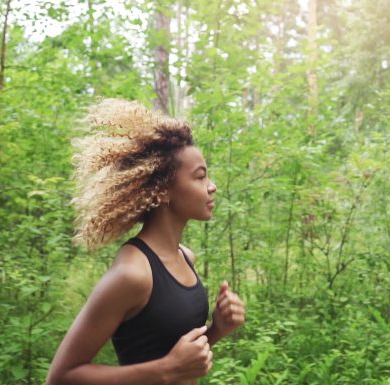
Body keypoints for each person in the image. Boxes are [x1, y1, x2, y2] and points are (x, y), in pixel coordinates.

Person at [46, 99, 246, 385]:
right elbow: (61, 377)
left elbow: (178, 358)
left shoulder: (185, 258)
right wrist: (166, 370)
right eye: (200, 177)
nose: (212, 186)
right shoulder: (132, 274)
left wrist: (217, 330)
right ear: (163, 190)